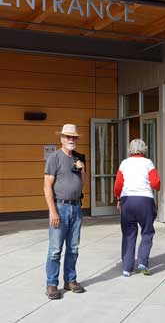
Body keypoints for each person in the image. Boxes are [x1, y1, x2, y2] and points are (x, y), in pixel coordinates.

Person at [44, 124, 87, 300]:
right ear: (61, 138)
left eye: (74, 137)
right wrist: (53, 211)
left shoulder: (78, 157)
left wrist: (82, 168)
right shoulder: (54, 158)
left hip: (76, 207)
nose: (71, 140)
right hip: (60, 207)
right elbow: (47, 186)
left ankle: (70, 281)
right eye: (68, 137)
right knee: (55, 249)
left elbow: (83, 183)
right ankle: (52, 284)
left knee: (73, 248)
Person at [114, 139, 160, 277]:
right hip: (145, 200)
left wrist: (118, 199)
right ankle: (142, 261)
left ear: (130, 150)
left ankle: (127, 268)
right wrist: (157, 188)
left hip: (127, 200)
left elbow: (117, 185)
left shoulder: (124, 163)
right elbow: (155, 182)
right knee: (147, 231)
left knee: (128, 233)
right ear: (144, 149)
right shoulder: (148, 162)